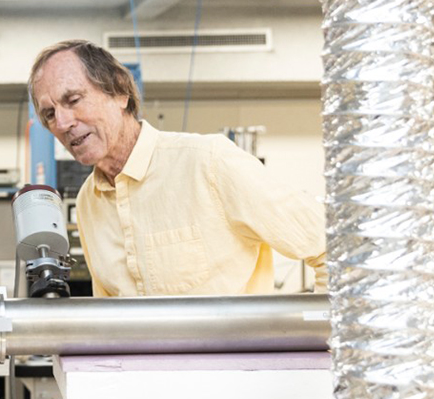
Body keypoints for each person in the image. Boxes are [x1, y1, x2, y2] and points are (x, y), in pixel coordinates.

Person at [28, 40, 327, 298]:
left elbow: (333, 249)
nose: (63, 123)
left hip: (232, 365)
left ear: (120, 92)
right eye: (50, 114)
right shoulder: (88, 201)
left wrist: (322, 345)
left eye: (74, 100)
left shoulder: (210, 163)